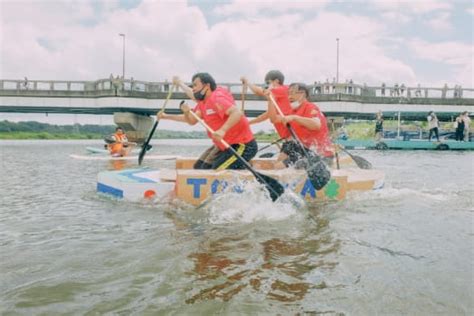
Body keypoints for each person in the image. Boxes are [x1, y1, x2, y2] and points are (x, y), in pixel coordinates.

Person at [159, 72, 257, 170]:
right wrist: (166, 116)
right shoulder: (203, 102)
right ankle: (240, 165)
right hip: (224, 144)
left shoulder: (216, 98)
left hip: (243, 145)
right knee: (199, 167)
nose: (193, 89)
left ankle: (244, 167)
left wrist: (222, 130)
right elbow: (192, 120)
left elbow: (237, 113)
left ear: (207, 86)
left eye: (195, 85)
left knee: (216, 170)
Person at [274, 83, 334, 167]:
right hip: (303, 150)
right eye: (288, 94)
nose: (289, 97)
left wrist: (295, 118)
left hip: (319, 155)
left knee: (279, 166)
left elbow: (316, 125)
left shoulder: (311, 107)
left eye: (292, 93)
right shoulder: (293, 111)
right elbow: (274, 119)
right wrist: (270, 100)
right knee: (280, 159)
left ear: (303, 94)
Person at [241, 70, 292, 141]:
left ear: (276, 81)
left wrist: (247, 82)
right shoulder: (277, 97)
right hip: (288, 135)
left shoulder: (281, 89)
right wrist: (248, 123)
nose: (267, 86)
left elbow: (258, 91)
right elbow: (267, 115)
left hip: (292, 134)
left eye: (268, 83)